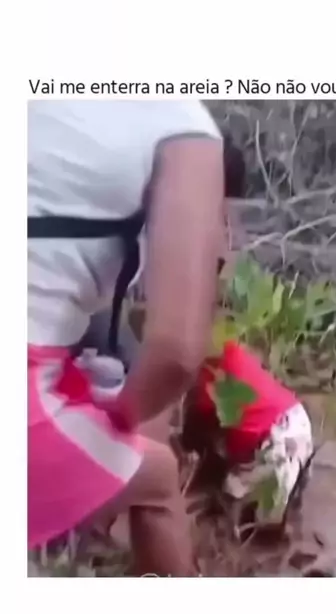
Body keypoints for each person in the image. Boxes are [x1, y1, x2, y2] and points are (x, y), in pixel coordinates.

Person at [28, 100, 245, 577]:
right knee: (157, 468)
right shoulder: (181, 127)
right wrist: (124, 413)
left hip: (72, 315)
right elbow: (175, 354)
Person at [181, 340, 313, 528]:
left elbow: (241, 445)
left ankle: (236, 528)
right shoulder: (230, 353)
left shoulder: (220, 386)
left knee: (234, 490)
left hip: (282, 437)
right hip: (293, 415)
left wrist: (227, 458)